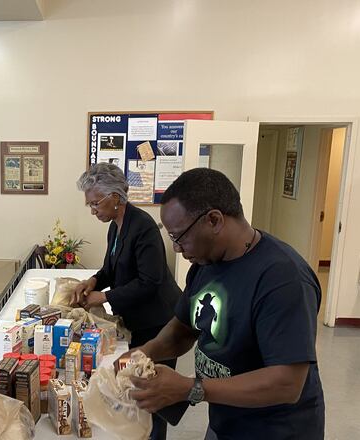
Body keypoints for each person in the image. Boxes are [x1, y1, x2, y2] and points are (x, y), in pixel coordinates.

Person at [121, 168, 325, 440]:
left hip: (276, 430)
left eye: (178, 237)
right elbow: (182, 330)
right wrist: (141, 353)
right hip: (226, 418)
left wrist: (189, 388)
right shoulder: (206, 263)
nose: (177, 249)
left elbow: (287, 383)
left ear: (214, 220)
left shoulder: (282, 278)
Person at [73, 162, 182, 440]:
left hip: (158, 321)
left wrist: (105, 296)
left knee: (153, 394)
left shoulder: (143, 226)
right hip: (138, 319)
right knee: (135, 388)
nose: (93, 210)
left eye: (96, 203)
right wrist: (93, 282)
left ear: (116, 198)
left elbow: (150, 281)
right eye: (90, 205)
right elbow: (111, 268)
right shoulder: (116, 226)